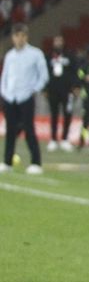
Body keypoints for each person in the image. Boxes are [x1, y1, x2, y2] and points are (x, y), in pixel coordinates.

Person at [1, 23, 50, 173]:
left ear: (26, 37)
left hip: (26, 96)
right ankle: (7, 162)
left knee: (29, 129)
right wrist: (4, 92)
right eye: (16, 36)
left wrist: (34, 90)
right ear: (13, 37)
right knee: (10, 131)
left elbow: (44, 76)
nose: (19, 39)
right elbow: (5, 76)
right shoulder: (10, 55)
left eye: (22, 36)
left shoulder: (35, 54)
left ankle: (36, 162)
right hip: (10, 97)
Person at [45, 35, 74, 151]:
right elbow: (44, 73)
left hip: (66, 91)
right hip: (53, 91)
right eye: (56, 41)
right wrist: (45, 89)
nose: (58, 43)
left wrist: (75, 86)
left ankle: (65, 139)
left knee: (67, 114)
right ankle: (53, 139)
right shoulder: (48, 57)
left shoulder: (70, 56)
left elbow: (74, 71)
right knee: (54, 115)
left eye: (60, 41)